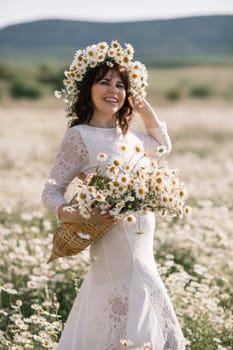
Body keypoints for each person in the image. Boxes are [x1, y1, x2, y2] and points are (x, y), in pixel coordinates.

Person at [42, 40, 185, 350]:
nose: (113, 90)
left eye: (120, 85)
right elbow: (52, 189)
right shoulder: (79, 136)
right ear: (87, 88)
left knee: (142, 305)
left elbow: (162, 146)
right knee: (125, 311)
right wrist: (73, 213)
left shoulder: (130, 137)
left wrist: (144, 107)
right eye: (104, 82)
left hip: (142, 240)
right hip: (111, 243)